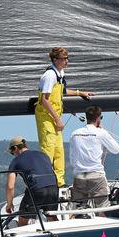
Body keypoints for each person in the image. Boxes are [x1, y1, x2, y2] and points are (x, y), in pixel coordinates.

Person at [34, 47, 94, 187]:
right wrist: (57, 119)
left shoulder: (60, 73)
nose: (67, 61)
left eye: (67, 59)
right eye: (63, 59)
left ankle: (60, 182)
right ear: (55, 60)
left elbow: (63, 91)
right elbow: (45, 100)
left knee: (59, 150)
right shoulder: (50, 75)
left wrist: (80, 92)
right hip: (46, 117)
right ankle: (47, 182)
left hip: (54, 115)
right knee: (48, 149)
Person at [69, 106, 119, 209]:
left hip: (79, 177)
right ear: (98, 118)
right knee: (103, 209)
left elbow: (71, 158)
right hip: (96, 176)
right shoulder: (101, 133)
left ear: (87, 117)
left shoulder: (74, 134)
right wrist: (104, 133)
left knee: (79, 210)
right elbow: (116, 149)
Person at [4, 136, 59, 227]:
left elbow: (10, 186)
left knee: (22, 218)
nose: (13, 154)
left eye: (12, 152)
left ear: (15, 148)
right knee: (51, 216)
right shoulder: (43, 155)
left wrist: (9, 204)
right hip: (53, 188)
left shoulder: (16, 161)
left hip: (37, 190)